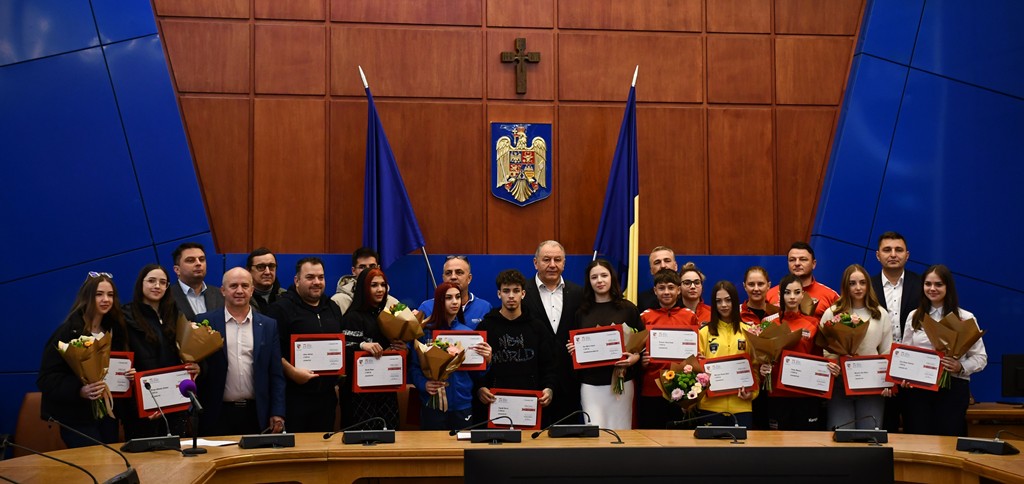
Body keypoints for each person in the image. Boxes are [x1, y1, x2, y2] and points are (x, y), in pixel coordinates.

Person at [38, 272, 130, 447]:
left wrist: (127, 373)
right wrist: (79, 390)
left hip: (108, 416)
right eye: (99, 294)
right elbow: (46, 379)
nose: (106, 299)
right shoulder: (67, 332)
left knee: (110, 460)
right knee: (92, 461)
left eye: (110, 295)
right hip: (77, 418)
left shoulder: (115, 331)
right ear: (86, 297)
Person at [195, 268, 286, 436]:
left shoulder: (268, 325)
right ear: (223, 290)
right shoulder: (205, 321)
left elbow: (276, 374)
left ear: (252, 290)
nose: (239, 291)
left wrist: (278, 411)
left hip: (256, 414)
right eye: (233, 286)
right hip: (216, 414)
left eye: (244, 286)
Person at [900, 265, 987, 436]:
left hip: (953, 390)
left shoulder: (965, 318)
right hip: (918, 391)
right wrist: (904, 375)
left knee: (949, 441)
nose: (932, 289)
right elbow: (906, 354)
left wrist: (960, 367)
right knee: (918, 440)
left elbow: (981, 358)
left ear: (948, 287)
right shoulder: (914, 316)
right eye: (928, 284)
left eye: (938, 284)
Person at [264, 257, 344, 433]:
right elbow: (270, 351)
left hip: (326, 398)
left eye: (321, 277)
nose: (316, 282)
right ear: (297, 280)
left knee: (323, 447)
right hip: (293, 397)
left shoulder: (333, 307)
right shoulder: (280, 309)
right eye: (310, 277)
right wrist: (291, 371)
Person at [121, 264, 200, 439]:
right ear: (141, 284)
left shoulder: (176, 314)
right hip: (141, 405)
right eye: (151, 281)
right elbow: (120, 360)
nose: (157, 286)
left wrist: (196, 367)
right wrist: (127, 372)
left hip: (174, 402)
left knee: (176, 451)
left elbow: (186, 352)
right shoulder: (125, 315)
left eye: (163, 282)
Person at [568, 259, 643, 430]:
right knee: (594, 431)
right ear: (589, 281)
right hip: (591, 384)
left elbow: (641, 343)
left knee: (621, 431)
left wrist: (634, 358)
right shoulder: (582, 312)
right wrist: (573, 348)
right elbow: (575, 342)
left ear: (612, 278)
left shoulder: (628, 308)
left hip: (620, 382)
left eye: (604, 275)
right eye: (594, 277)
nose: (599, 280)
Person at [475, 270, 558, 425]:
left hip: (530, 404)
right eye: (506, 291)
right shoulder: (486, 327)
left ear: (523, 294)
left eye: (516, 291)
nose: (511, 296)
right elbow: (475, 367)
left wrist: (549, 388)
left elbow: (549, 365)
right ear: (499, 294)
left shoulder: (537, 327)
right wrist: (480, 388)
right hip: (495, 403)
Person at [820, 264, 893, 430]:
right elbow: (826, 349)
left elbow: (886, 351)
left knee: (869, 434)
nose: (858, 288)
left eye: (862, 283)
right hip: (840, 383)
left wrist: (888, 382)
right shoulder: (833, 312)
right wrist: (833, 363)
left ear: (868, 285)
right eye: (852, 283)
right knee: (841, 433)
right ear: (845, 286)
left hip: (871, 384)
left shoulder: (879, 313)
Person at [411, 282, 492, 431]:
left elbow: (477, 374)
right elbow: (414, 367)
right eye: (448, 298)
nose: (455, 302)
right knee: (432, 445)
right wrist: (424, 384)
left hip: (462, 404)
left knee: (462, 445)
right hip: (433, 403)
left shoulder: (468, 334)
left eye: (458, 297)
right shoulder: (425, 332)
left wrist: (487, 361)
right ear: (439, 301)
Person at [521, 240, 585, 425]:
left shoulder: (578, 293)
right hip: (534, 380)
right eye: (546, 259)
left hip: (569, 381)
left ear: (564, 263)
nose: (552, 265)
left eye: (557, 260)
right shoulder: (522, 293)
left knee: (567, 437)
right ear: (535, 263)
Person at [339, 268, 406, 430]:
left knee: (388, 434)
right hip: (359, 394)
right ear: (363, 288)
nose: (380, 289)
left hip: (385, 390)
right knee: (362, 438)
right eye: (374, 285)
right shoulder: (353, 316)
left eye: (383, 285)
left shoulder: (388, 316)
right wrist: (362, 346)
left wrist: (401, 350)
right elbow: (343, 351)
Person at [870, 231, 922, 433]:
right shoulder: (866, 286)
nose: (893, 254)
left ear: (907, 255)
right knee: (884, 428)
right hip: (878, 367)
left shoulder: (922, 285)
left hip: (914, 369)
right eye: (887, 250)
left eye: (898, 250)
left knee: (916, 427)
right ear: (878, 255)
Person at [759, 274, 825, 431]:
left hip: (805, 395)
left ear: (803, 295)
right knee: (777, 443)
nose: (792, 297)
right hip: (778, 394)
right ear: (780, 295)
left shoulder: (813, 323)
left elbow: (818, 357)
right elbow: (762, 356)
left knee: (806, 442)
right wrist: (763, 369)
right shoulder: (769, 323)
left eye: (797, 292)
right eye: (787, 292)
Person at [637, 269, 698, 429]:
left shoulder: (690, 316)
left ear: (678, 290)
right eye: (661, 288)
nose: (666, 292)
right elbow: (636, 349)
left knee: (680, 437)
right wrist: (641, 361)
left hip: (681, 387)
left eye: (671, 287)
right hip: (652, 388)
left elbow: (696, 351)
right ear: (655, 291)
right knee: (650, 435)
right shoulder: (645, 317)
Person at [697, 281, 757, 428]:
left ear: (735, 301)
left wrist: (752, 393)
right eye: (718, 301)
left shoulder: (749, 332)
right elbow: (696, 371)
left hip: (741, 406)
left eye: (728, 300)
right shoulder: (704, 333)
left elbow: (755, 367)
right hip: (710, 407)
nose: (723, 305)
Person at [765, 242, 838, 319]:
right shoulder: (770, 295)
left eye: (803, 259)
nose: (797, 263)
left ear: (813, 264)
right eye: (792, 260)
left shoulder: (831, 296)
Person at [416, 256, 492, 329]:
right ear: (443, 278)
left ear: (469, 278)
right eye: (448, 273)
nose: (453, 277)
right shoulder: (426, 307)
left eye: (459, 272)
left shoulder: (484, 308)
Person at [332, 247, 399, 314]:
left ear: (378, 269)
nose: (368, 271)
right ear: (353, 271)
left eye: (372, 266)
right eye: (362, 267)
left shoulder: (391, 302)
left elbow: (405, 317)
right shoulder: (338, 301)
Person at [170, 242, 224, 321]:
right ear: (177, 270)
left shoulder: (219, 294)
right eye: (190, 260)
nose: (198, 263)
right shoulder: (168, 296)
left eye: (202, 259)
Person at [636, 246, 682, 312]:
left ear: (675, 266)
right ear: (651, 270)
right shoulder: (642, 301)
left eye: (667, 261)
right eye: (657, 262)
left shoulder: (687, 295)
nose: (663, 266)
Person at [247, 247, 286, 314]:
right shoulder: (242, 298)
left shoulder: (286, 297)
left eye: (271, 266)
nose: (267, 272)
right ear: (249, 270)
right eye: (260, 267)